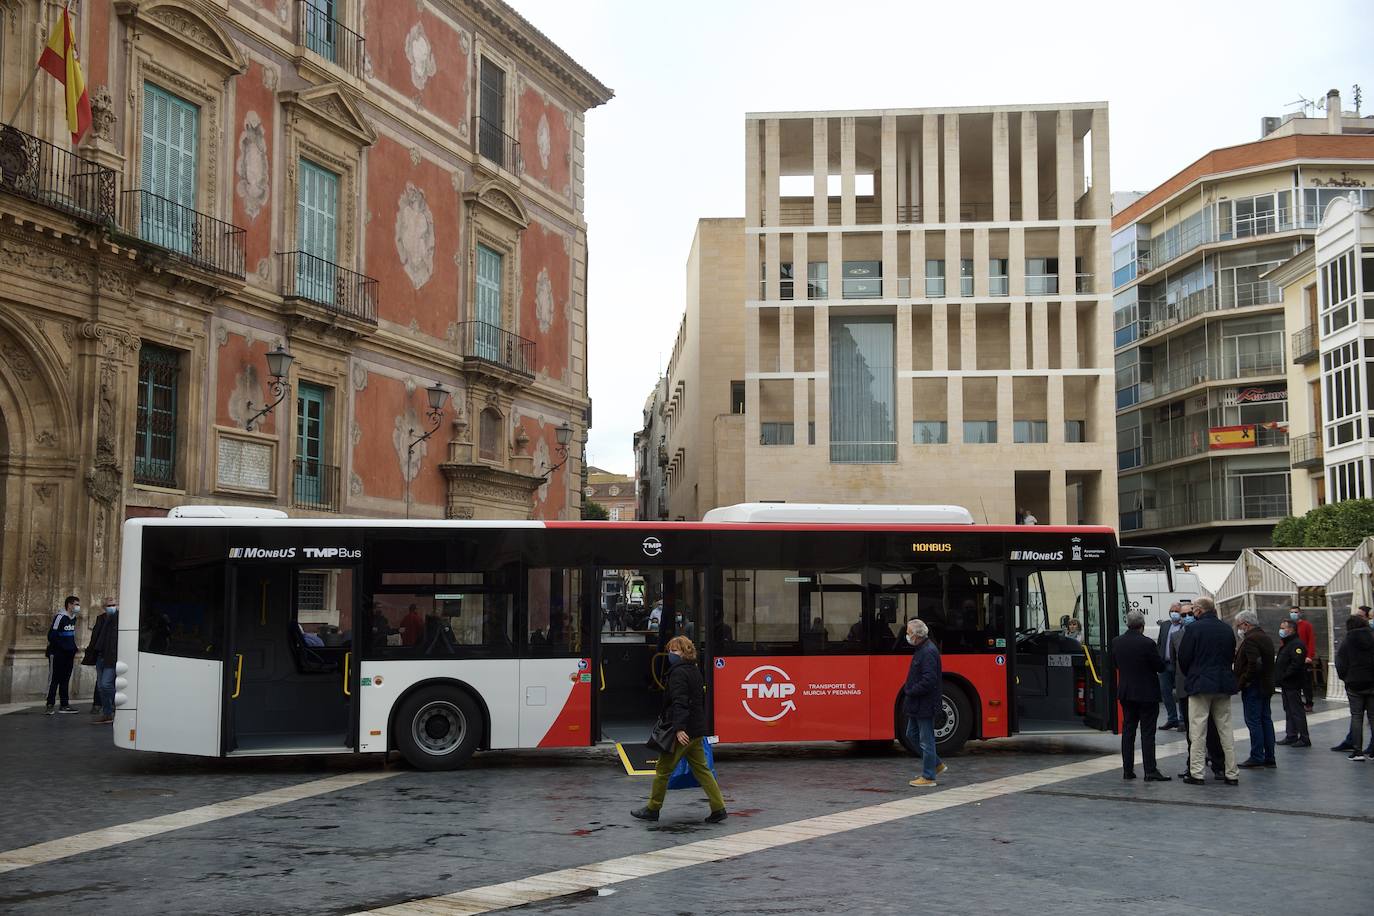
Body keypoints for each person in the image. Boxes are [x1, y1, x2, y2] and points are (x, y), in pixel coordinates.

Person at [632, 636, 727, 823]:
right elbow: (695, 702)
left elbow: (680, 702)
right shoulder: (694, 670)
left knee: (663, 770)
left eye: (675, 651)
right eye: (670, 650)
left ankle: (653, 808)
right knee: (702, 770)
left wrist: (679, 729)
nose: (670, 654)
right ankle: (719, 807)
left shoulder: (677, 673)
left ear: (684, 652)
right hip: (696, 730)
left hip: (683, 732)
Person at [1176, 597, 1240, 785]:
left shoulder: (1193, 629)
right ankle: (1231, 772)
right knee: (1225, 729)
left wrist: (1193, 674)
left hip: (1200, 685)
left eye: (1194, 609)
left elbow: (1184, 657)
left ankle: (1197, 772)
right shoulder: (1227, 629)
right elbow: (1230, 654)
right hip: (1223, 684)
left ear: (1199, 610)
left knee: (1198, 730)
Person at [1112, 610, 1170, 781]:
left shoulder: (1117, 642)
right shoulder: (1147, 643)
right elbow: (1159, 666)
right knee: (1147, 733)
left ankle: (1127, 770)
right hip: (1147, 694)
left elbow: (1115, 663)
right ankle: (1150, 770)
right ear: (1142, 626)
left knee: (1128, 731)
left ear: (1128, 624)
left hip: (1126, 692)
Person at [1171, 605, 1226, 779]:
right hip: (1185, 687)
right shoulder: (1176, 636)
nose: (1186, 616)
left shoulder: (1204, 632)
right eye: (1183, 614)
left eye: (1189, 613)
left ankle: (1218, 764)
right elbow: (1176, 663)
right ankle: (1193, 764)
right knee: (1190, 731)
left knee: (1211, 728)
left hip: (1203, 686)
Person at [903, 618, 947, 787]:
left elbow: (929, 679)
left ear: (916, 635)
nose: (906, 635)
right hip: (919, 703)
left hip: (924, 703)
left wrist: (911, 691)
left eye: (908, 632)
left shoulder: (927, 651)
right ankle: (935, 764)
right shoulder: (923, 649)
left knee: (926, 740)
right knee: (911, 734)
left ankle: (928, 777)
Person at [1233, 610, 1277, 769]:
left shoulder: (1251, 639)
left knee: (1254, 721)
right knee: (1266, 720)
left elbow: (1254, 664)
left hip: (1254, 687)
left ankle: (1257, 755)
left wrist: (1243, 681)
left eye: (1239, 625)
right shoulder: (1265, 637)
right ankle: (1269, 756)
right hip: (1265, 685)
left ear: (1246, 624)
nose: (1239, 629)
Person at [1334, 613, 1374, 762]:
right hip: (1372, 682)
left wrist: (1345, 677)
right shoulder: (1372, 637)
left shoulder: (1347, 641)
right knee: (1372, 716)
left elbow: (1340, 662)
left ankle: (1357, 751)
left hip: (1354, 683)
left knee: (1356, 717)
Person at [1274, 618, 1311, 748]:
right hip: (1286, 683)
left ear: (1291, 629)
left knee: (1296, 710)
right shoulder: (1287, 644)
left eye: (1283, 628)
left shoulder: (1296, 645)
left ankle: (1304, 737)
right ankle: (1291, 735)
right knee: (1289, 709)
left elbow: (1296, 664)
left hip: (1292, 683)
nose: (1281, 630)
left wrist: (1284, 676)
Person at [45, 595, 80, 715]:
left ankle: (64, 704)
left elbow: (71, 634)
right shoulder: (60, 617)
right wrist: (61, 647)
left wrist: (73, 648)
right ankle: (50, 704)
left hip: (69, 653)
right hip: (58, 653)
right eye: (76, 604)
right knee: (54, 678)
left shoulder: (73, 618)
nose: (77, 607)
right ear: (69, 605)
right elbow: (52, 635)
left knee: (65, 679)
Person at [88, 597, 119, 724]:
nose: (111, 607)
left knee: (106, 684)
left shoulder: (119, 619)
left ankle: (118, 706)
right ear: (104, 607)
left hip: (111, 657)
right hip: (100, 655)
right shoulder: (101, 619)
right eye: (108, 605)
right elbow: (95, 636)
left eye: (113, 605)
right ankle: (107, 713)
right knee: (101, 687)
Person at [1156, 603, 1185, 730]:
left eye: (1176, 611)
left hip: (1179, 665)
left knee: (1181, 693)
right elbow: (1160, 643)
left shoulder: (1185, 626)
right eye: (1171, 610)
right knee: (1165, 693)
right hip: (1165, 665)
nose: (1173, 613)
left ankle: (1183, 720)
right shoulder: (1165, 625)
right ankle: (1172, 719)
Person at [1289, 606, 1316, 711]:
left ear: (1300, 613)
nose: (1293, 614)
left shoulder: (1307, 625)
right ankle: (1297, 702)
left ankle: (1309, 703)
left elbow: (1311, 641)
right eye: (1291, 612)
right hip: (1293, 659)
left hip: (1304, 659)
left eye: (1295, 612)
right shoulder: (1289, 626)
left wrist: (1309, 656)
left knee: (1306, 683)